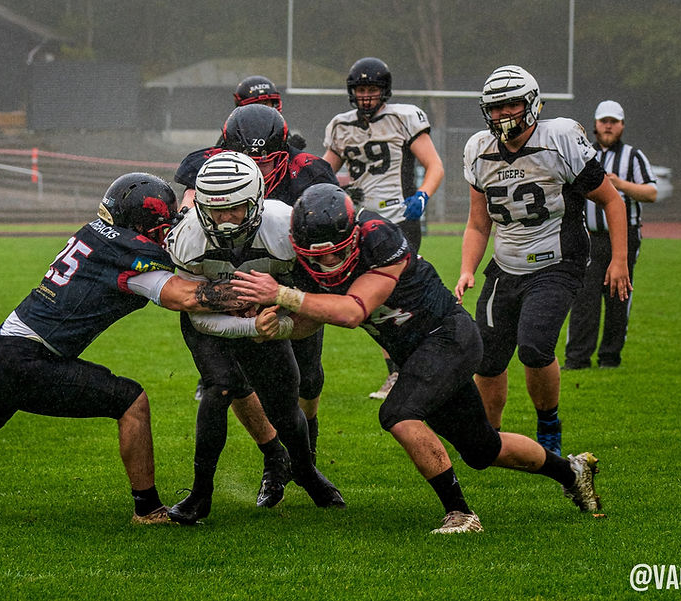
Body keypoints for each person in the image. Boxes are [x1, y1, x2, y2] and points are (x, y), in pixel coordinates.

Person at [0, 173, 249, 523]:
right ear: (141, 221)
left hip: (0, 349)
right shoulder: (128, 255)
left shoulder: (96, 233)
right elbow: (185, 296)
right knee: (131, 401)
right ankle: (148, 508)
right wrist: (254, 293)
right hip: (28, 359)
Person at [230, 183, 602, 533]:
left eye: (338, 252)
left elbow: (353, 311)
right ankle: (572, 473)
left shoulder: (379, 236)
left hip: (448, 335)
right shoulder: (307, 262)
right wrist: (280, 329)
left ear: (353, 235)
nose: (328, 262)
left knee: (397, 414)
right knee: (483, 448)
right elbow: (312, 319)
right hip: (419, 354)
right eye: (318, 256)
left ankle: (461, 513)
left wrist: (281, 294)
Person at [454, 66, 632, 456]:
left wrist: (618, 260)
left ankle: (548, 425)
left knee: (534, 347)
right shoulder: (477, 149)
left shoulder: (560, 139)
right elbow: (478, 222)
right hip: (505, 264)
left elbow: (611, 200)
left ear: (532, 102)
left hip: (557, 261)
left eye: (512, 104)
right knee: (486, 357)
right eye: (496, 108)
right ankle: (490, 438)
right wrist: (468, 268)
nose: (504, 115)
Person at [165, 151, 344, 525]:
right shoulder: (186, 239)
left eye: (235, 209)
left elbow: (310, 294)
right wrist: (251, 327)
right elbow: (197, 316)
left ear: (258, 201)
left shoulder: (285, 227)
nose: (225, 220)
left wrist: (276, 319)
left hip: (269, 314)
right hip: (211, 321)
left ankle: (306, 471)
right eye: (216, 211)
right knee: (220, 389)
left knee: (283, 402)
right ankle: (201, 492)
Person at [322, 57, 445, 401]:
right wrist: (338, 190)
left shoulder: (403, 118)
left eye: (371, 89)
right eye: (360, 90)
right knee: (378, 304)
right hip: (362, 224)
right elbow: (323, 173)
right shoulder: (340, 126)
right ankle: (401, 370)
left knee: (397, 296)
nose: (365, 96)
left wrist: (423, 194)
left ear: (384, 91)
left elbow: (434, 165)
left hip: (400, 219)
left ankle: (413, 366)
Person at [564, 100, 657, 370]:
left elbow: (651, 192)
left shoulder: (633, 156)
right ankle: (578, 358)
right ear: (594, 124)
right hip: (588, 238)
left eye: (613, 121)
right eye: (603, 120)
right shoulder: (582, 154)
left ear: (622, 126)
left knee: (618, 297)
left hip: (624, 237)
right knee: (583, 299)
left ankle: (610, 358)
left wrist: (621, 185)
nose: (608, 125)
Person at [231, 75, 306, 150]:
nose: (261, 108)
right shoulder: (234, 131)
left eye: (265, 103)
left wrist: (292, 151)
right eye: (256, 103)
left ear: (273, 103)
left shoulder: (278, 128)